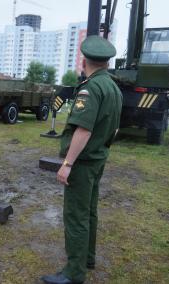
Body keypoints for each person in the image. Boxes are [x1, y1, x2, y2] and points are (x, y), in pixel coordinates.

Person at [41, 35, 123, 284]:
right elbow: (115, 129)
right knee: (89, 212)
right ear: (106, 62)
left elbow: (83, 130)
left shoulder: (91, 88)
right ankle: (87, 257)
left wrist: (67, 164)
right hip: (98, 160)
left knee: (76, 215)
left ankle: (74, 273)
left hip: (83, 164)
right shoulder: (114, 88)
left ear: (85, 60)